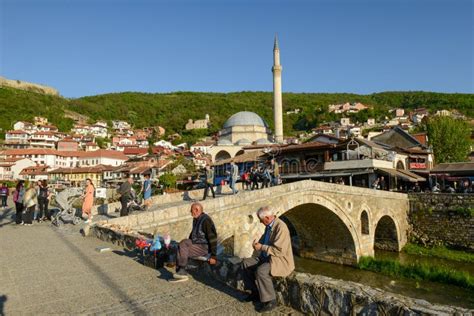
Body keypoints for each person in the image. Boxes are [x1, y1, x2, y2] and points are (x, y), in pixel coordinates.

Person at [241, 206, 295, 313]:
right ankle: (255, 292)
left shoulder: (281, 227)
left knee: (261, 271)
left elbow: (280, 251)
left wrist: (261, 247)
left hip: (279, 260)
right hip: (266, 257)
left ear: (266, 218)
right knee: (245, 263)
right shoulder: (269, 225)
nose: (260, 222)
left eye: (261, 220)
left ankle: (270, 300)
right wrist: (257, 244)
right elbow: (265, 240)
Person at [172, 202, 218, 281]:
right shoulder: (196, 219)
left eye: (191, 211)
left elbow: (212, 238)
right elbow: (194, 233)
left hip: (204, 247)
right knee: (181, 245)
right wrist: (188, 241)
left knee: (183, 245)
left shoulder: (206, 220)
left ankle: (182, 270)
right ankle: (180, 270)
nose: (190, 213)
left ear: (197, 210)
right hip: (197, 244)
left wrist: (213, 256)